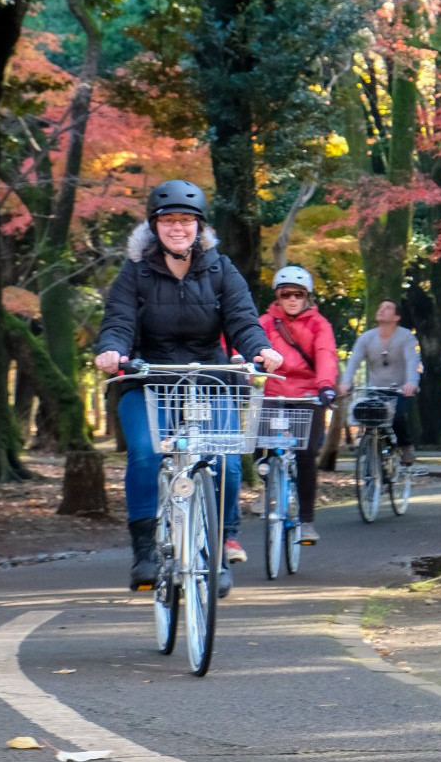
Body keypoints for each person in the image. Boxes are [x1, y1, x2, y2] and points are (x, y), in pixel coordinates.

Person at [94, 179, 283, 597]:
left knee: (227, 463)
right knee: (145, 452)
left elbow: (242, 320)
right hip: (148, 381)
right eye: (168, 220)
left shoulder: (220, 269)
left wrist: (262, 349)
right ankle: (144, 548)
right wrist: (111, 349)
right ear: (154, 225)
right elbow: (119, 321)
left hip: (208, 381)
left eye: (186, 220)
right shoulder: (135, 273)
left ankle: (219, 544)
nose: (177, 227)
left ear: (199, 226)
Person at [258, 265, 339, 544]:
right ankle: (268, 487)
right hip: (273, 392)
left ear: (308, 297)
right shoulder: (265, 322)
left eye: (298, 294)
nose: (292, 299)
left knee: (306, 455)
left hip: (307, 395)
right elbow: (243, 345)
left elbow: (326, 354)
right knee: (259, 444)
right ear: (277, 297)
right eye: (286, 293)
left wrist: (326, 386)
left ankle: (306, 520)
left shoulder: (320, 325)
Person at [338, 299, 423, 471]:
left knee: (397, 416)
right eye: (380, 307)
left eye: (388, 308)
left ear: (397, 317)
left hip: (400, 390)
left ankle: (405, 446)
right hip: (375, 390)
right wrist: (346, 382)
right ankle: (373, 460)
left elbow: (412, 361)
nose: (382, 310)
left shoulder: (406, 336)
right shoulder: (367, 338)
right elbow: (354, 361)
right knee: (368, 419)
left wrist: (411, 383)